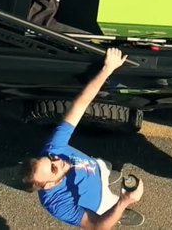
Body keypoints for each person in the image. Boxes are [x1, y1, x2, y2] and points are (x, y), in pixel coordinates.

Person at [21, 49, 145, 228]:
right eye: (54, 168)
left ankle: (106, 177)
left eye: (50, 158)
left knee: (104, 168)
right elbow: (95, 226)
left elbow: (81, 104)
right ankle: (118, 213)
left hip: (94, 168)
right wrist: (124, 201)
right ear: (47, 185)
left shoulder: (53, 149)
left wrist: (107, 70)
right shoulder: (57, 204)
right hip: (101, 203)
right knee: (110, 210)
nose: (57, 159)